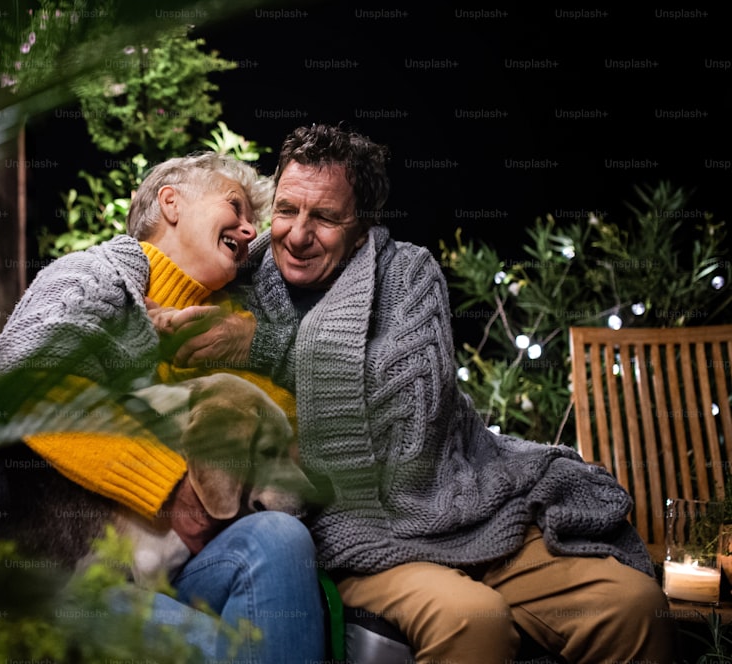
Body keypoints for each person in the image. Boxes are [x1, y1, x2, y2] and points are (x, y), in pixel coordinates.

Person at [155, 124, 677, 663]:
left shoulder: (406, 273)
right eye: (287, 209)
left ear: (362, 228)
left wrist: (266, 349)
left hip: (463, 501)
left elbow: (409, 417)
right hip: (356, 534)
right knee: (474, 620)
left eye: (326, 218)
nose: (298, 234)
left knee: (634, 605)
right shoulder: (237, 278)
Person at [0, 151, 325, 663]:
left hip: (175, 564)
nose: (250, 231)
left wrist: (254, 346)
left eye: (254, 222)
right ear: (171, 203)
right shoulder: (94, 276)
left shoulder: (231, 325)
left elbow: (296, 429)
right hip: (55, 559)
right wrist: (167, 486)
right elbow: (24, 386)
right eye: (236, 207)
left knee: (279, 536)